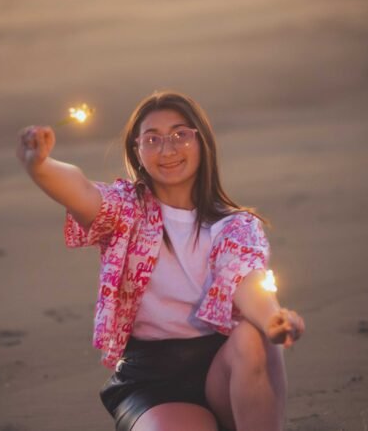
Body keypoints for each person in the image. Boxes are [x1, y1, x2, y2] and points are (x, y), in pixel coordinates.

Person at [16, 90, 305, 431]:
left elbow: (246, 280)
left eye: (180, 135)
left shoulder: (236, 225)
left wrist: (273, 319)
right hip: (153, 381)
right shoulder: (126, 211)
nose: (168, 150)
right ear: (137, 151)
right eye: (152, 139)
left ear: (202, 142)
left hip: (225, 370)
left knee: (253, 336)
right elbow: (81, 190)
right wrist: (40, 166)